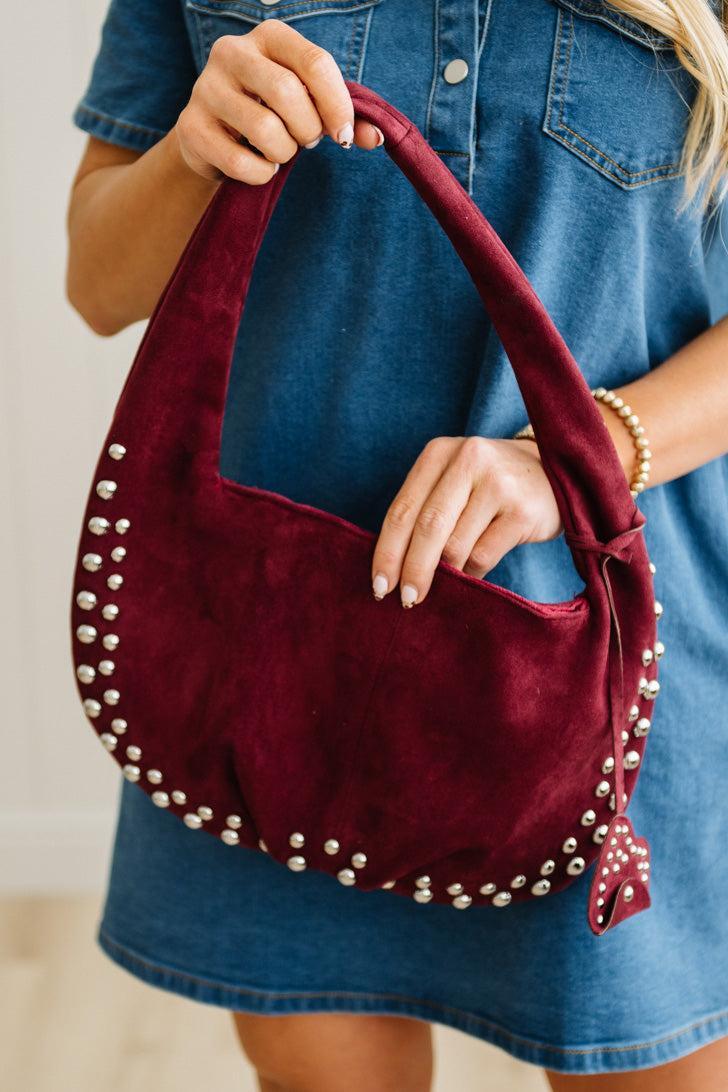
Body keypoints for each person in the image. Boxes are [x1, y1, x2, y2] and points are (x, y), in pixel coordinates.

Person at [66, 1, 728, 1088]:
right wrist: (194, 147)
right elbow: (98, 285)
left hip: (609, 673)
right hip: (270, 668)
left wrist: (585, 451)